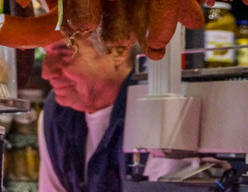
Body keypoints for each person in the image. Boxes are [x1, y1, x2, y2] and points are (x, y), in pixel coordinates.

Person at [38, 34, 183, 192]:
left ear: (118, 52)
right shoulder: (56, 114)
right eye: (46, 53)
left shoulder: (157, 109)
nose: (47, 72)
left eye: (64, 53)